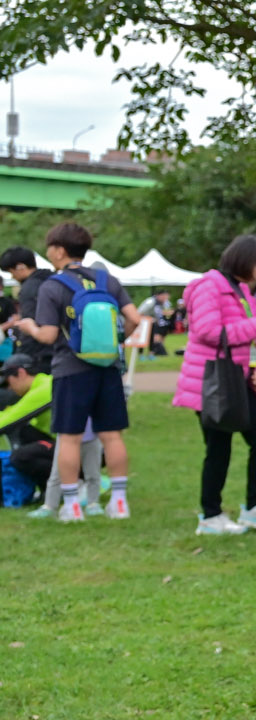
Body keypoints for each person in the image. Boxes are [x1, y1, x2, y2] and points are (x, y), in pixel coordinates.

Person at [173, 235, 256, 536]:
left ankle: (255, 507)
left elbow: (250, 342)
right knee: (219, 448)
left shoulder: (241, 290)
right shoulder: (209, 286)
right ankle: (210, 515)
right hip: (214, 383)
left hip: (240, 381)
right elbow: (207, 331)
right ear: (245, 260)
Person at [23, 222, 139, 522]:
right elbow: (135, 318)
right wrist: (113, 343)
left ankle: (72, 505)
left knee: (70, 438)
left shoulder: (53, 286)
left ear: (59, 250)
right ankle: (119, 502)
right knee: (111, 436)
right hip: (108, 368)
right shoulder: (107, 280)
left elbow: (48, 335)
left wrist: (29, 327)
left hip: (71, 370)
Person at [0, 354, 56, 494]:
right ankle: (48, 489)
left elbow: (7, 422)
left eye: (8, 382)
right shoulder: (44, 382)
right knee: (26, 432)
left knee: (20, 457)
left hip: (80, 448)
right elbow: (12, 413)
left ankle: (74, 482)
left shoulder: (43, 389)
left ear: (21, 373)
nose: (9, 388)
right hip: (74, 443)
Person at [1, 247, 55, 377]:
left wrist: (23, 355)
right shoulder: (53, 280)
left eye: (11, 271)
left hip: (39, 353)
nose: (12, 276)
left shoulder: (29, 287)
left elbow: (29, 321)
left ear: (20, 266)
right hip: (60, 350)